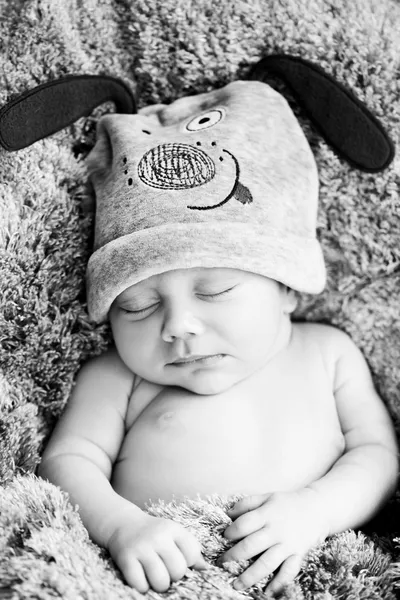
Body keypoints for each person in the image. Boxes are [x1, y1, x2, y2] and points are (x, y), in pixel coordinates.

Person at [38, 80, 399, 596]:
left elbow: (377, 455)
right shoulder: (116, 377)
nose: (178, 324)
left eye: (216, 290)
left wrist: (316, 511)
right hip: (161, 577)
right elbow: (67, 463)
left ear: (286, 290)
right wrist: (121, 526)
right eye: (136, 305)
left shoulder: (327, 353)